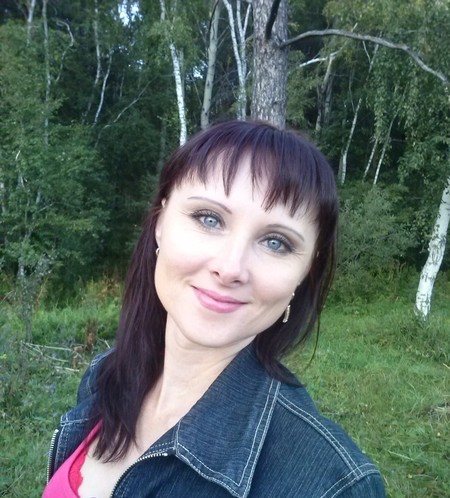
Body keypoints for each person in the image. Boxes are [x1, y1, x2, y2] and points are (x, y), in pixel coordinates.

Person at [43, 120, 386, 497]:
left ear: (306, 272)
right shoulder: (106, 376)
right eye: (209, 219)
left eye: (275, 242)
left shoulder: (330, 486)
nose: (230, 267)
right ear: (160, 223)